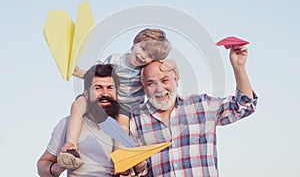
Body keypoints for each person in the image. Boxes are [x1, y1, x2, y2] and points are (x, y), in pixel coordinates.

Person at [130, 46, 258, 176]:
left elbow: (244, 106)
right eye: (151, 83)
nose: (160, 89)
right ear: (143, 87)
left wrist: (239, 67)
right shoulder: (135, 119)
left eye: (165, 80)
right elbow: (133, 169)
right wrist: (138, 168)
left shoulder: (201, 105)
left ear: (176, 79)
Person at [59, 28, 172, 168]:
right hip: (108, 100)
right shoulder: (115, 59)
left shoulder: (145, 69)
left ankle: (120, 162)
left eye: (149, 56)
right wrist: (80, 73)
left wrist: (172, 64)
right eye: (142, 49)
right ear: (135, 42)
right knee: (78, 104)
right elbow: (99, 76)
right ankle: (71, 146)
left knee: (123, 127)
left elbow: (169, 69)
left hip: (126, 107)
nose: (143, 56)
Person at [37, 64, 146, 177]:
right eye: (97, 88)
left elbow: (141, 169)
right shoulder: (67, 124)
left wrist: (138, 167)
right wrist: (58, 168)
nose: (105, 93)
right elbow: (42, 165)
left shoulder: (131, 125)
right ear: (86, 94)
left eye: (110, 88)